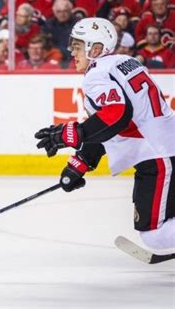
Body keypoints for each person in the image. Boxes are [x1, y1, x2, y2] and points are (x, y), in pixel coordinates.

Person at [35, 17, 175, 252]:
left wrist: (73, 133)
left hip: (158, 156)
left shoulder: (96, 74)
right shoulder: (126, 62)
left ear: (95, 49)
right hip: (165, 148)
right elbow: (110, 124)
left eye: (77, 46)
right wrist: (80, 163)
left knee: (155, 235)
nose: (72, 52)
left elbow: (117, 113)